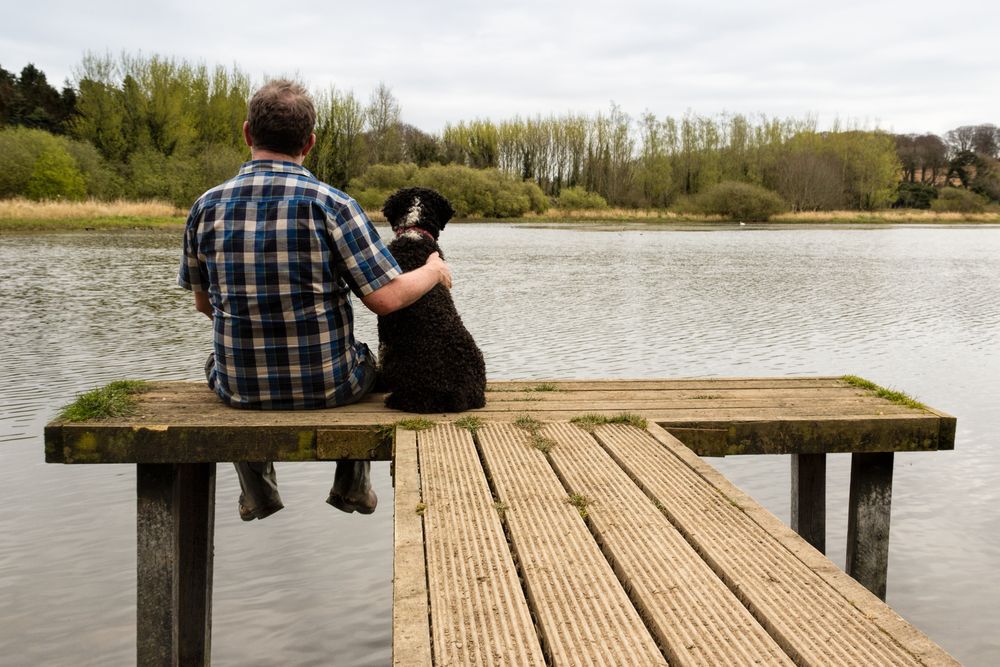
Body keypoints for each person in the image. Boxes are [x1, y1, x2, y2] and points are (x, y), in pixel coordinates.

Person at [178, 79, 451, 520]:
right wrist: (432, 271)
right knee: (365, 360)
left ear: (247, 133)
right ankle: (351, 485)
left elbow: (204, 306)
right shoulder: (335, 205)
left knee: (220, 359)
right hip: (331, 386)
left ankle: (258, 490)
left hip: (239, 388)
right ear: (310, 142)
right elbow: (385, 299)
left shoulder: (204, 207)